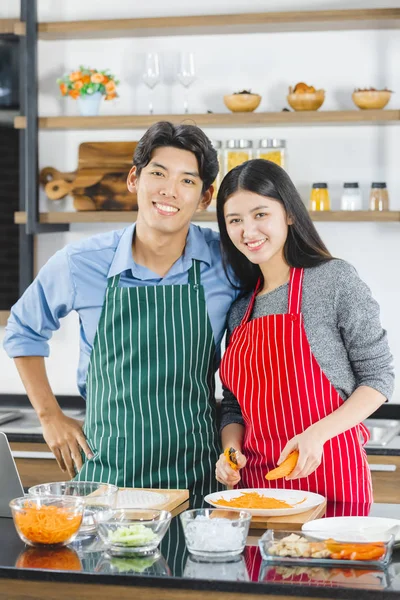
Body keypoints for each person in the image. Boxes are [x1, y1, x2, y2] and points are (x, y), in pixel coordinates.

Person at [4, 121, 237, 494]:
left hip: (198, 477)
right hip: (108, 478)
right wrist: (50, 416)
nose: (169, 191)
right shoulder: (82, 262)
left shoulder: (228, 262)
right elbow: (23, 329)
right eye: (158, 173)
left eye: (187, 181)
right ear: (134, 179)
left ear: (205, 198)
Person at [214, 159, 394, 503]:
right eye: (235, 220)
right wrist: (230, 450)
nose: (248, 231)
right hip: (256, 487)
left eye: (260, 214)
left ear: (290, 214)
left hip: (330, 477)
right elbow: (235, 405)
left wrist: (317, 433)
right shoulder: (240, 308)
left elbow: (378, 377)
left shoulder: (333, 280)